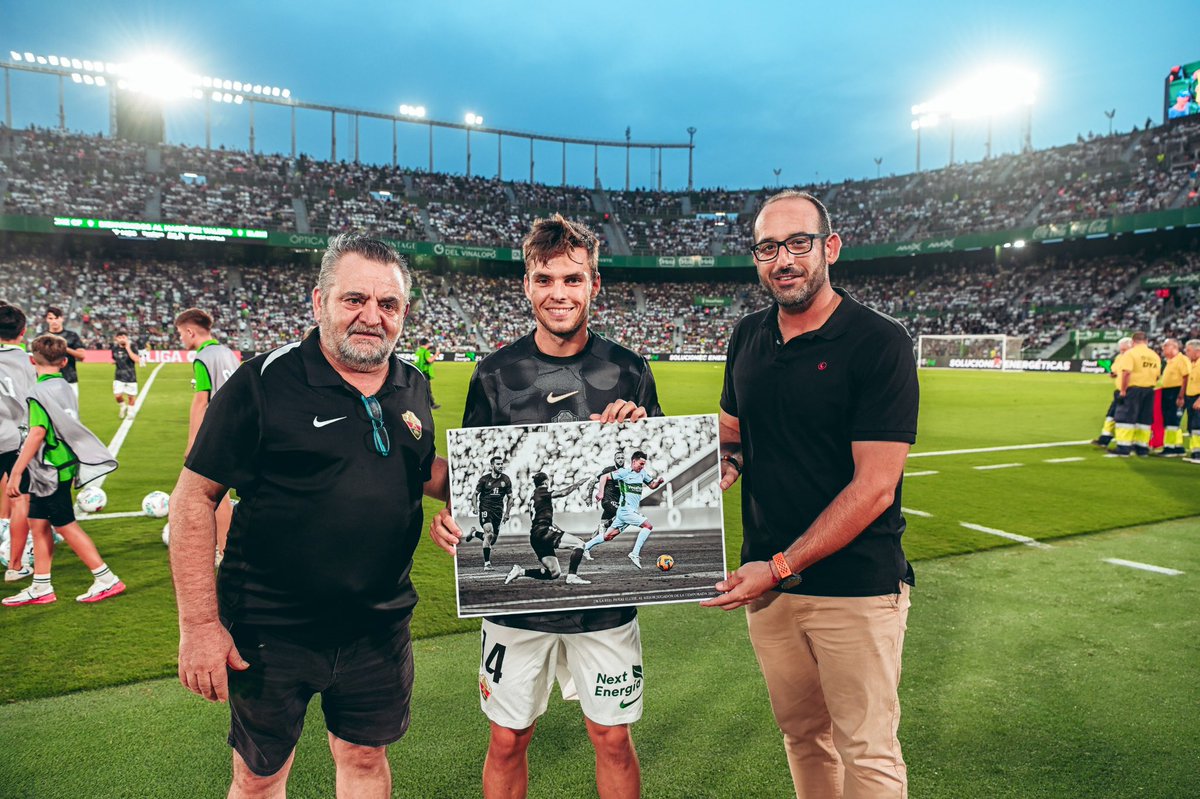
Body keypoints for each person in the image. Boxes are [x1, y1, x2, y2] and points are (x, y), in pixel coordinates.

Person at [169, 233, 451, 798]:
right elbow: (193, 498)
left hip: (380, 624)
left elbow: (417, 470)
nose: (372, 316)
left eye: (388, 304)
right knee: (259, 777)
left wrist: (491, 486)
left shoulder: (412, 384)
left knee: (366, 759)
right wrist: (199, 626)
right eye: (354, 300)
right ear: (319, 301)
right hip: (273, 629)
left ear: (404, 313)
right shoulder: (263, 382)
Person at [428, 213, 661, 799]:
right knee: (507, 739)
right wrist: (453, 518)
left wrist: (637, 430)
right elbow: (473, 471)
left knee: (611, 738)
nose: (560, 293)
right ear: (527, 284)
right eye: (546, 278)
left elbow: (655, 479)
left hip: (603, 607)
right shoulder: (494, 374)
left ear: (594, 285)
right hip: (515, 608)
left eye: (573, 279)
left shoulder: (630, 371)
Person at [701, 190, 918, 799]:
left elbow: (875, 488)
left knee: (867, 750)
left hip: (853, 585)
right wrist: (711, 455)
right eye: (769, 247)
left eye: (798, 243)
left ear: (830, 248)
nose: (784, 259)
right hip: (770, 589)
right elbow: (736, 432)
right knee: (802, 738)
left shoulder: (879, 342)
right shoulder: (747, 336)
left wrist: (778, 567)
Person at [3, 334, 124, 607]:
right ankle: (41, 586)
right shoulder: (65, 386)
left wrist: (18, 470)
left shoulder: (37, 392)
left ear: (32, 361)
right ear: (65, 361)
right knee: (38, 522)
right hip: (62, 465)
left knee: (65, 524)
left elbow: (37, 433)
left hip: (48, 469)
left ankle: (106, 578)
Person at [174, 308, 242, 560]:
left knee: (214, 493)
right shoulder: (226, 352)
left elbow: (201, 401)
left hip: (221, 430)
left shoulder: (203, 357)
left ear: (190, 331)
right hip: (240, 424)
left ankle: (224, 550)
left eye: (181, 333)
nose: (181, 338)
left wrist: (193, 441)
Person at [503, 472, 592, 586]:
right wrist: (577, 484)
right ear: (546, 482)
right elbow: (563, 493)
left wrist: (565, 534)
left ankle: (520, 571)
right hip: (544, 532)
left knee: (554, 572)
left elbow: (551, 523)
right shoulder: (542, 491)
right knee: (579, 544)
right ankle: (572, 576)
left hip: (536, 536)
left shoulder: (534, 496)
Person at [0, 303, 36, 582]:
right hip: (14, 438)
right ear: (23, 332)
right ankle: (15, 565)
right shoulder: (28, 362)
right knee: (22, 497)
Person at [581, 450, 666, 569]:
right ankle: (635, 554)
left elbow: (652, 485)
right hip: (626, 510)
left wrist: (658, 482)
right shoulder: (623, 472)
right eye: (641, 464)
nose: (642, 466)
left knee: (607, 536)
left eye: (644, 464)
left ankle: (584, 547)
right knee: (648, 526)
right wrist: (600, 492)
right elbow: (604, 477)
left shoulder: (643, 473)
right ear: (634, 461)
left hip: (624, 512)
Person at [1111, 330, 1161, 457]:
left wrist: (1123, 390)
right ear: (1146, 341)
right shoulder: (1154, 355)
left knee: (1126, 418)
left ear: (1133, 342)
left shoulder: (1130, 353)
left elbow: (1127, 372)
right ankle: (1142, 448)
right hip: (1149, 390)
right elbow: (1157, 376)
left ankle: (1124, 447)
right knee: (1144, 420)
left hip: (1133, 389)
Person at [464, 455, 514, 570]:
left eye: (501, 464)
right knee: (489, 532)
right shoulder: (484, 479)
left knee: (492, 539)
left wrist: (507, 513)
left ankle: (474, 533)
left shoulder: (506, 479)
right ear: (492, 466)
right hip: (485, 509)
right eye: (498, 464)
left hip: (498, 511)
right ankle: (487, 564)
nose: (501, 466)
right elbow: (475, 495)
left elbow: (510, 498)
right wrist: (475, 507)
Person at [1093, 337, 1133, 449]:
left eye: (1124, 349)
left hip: (1130, 391)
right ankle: (1104, 439)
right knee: (1111, 415)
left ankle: (1127, 444)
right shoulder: (1119, 357)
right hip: (1119, 390)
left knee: (1124, 417)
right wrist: (1113, 374)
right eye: (1121, 350)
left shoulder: (1133, 357)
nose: (1122, 352)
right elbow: (1115, 370)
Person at [43, 307, 85, 401]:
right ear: (46, 319)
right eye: (50, 318)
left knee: (71, 412)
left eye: (56, 318)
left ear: (62, 318)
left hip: (69, 379)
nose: (54, 321)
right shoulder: (42, 337)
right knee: (50, 412)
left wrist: (64, 348)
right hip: (48, 379)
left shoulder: (72, 336)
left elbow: (82, 356)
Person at [1157, 337, 1190, 456]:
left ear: (1174, 347)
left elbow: (1186, 377)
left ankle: (1170, 447)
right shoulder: (1170, 361)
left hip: (1175, 392)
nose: (1163, 348)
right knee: (1171, 419)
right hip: (1169, 392)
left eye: (1165, 346)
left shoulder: (1181, 360)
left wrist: (1181, 396)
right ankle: (1177, 446)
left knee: (1171, 419)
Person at [111, 330, 142, 419]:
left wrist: (128, 348)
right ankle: (123, 406)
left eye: (123, 337)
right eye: (119, 337)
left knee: (131, 396)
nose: (121, 339)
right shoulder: (114, 348)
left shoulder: (132, 347)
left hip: (131, 376)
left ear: (127, 338)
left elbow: (137, 359)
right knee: (117, 395)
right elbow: (116, 358)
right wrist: (116, 362)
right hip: (119, 376)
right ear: (116, 339)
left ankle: (130, 412)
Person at [1185, 339, 1200, 462]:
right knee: (1192, 426)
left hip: (1198, 398)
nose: (1186, 353)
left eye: (1188, 350)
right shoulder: (1193, 363)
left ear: (1198, 351)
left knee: (1198, 426)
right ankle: (1196, 453)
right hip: (1191, 399)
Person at [414, 336, 441, 409]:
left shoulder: (418, 351)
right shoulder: (426, 352)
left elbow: (416, 362)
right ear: (426, 344)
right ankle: (432, 405)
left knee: (419, 389)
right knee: (427, 389)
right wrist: (436, 354)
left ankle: (420, 403)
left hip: (417, 371)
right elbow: (429, 360)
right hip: (424, 373)